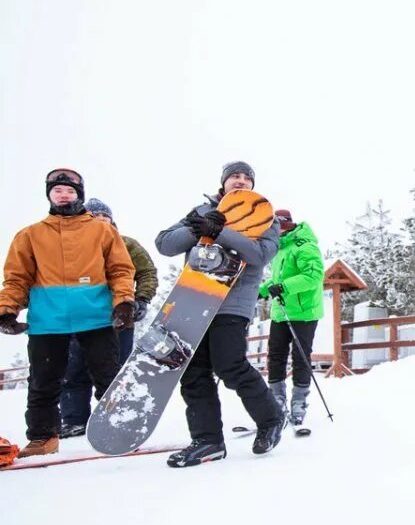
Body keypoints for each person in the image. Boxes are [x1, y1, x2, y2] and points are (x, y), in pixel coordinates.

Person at [155, 161, 283, 467]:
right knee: (192, 370)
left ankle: (271, 419)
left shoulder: (265, 215)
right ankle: (207, 440)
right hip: (194, 299)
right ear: (223, 183)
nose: (239, 181)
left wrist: (220, 232)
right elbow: (164, 244)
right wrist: (195, 226)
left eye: (245, 177)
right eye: (233, 177)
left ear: (253, 184)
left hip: (232, 301)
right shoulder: (201, 211)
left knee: (230, 365)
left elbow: (259, 254)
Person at [0, 168, 136, 457]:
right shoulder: (30, 235)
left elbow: (121, 270)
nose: (64, 195)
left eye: (70, 191)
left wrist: (124, 302)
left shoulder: (101, 230)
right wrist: (7, 310)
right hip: (48, 320)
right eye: (57, 190)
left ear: (80, 195)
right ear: (49, 195)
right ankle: (43, 438)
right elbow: (16, 278)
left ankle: (121, 429)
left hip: (96, 316)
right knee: (43, 381)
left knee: (108, 376)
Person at [58, 198, 159, 438]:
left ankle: (114, 416)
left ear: (111, 221)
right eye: (95, 217)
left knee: (114, 371)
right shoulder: (70, 246)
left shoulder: (126, 244)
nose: (100, 221)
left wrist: (142, 299)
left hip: (118, 318)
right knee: (73, 369)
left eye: (104, 217)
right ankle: (74, 419)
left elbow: (147, 273)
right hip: (78, 318)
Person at [258, 209, 324, 426]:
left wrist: (283, 287)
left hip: (304, 312)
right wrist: (261, 290)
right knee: (275, 355)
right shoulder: (280, 249)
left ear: (284, 226)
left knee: (300, 357)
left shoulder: (305, 246)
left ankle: (299, 402)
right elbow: (277, 280)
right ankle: (276, 400)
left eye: (274, 228)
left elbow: (313, 276)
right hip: (281, 312)